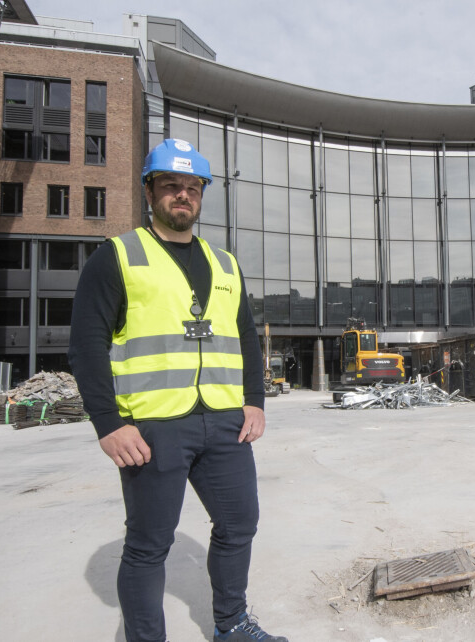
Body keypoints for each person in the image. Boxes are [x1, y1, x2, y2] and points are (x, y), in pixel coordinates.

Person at [68, 139, 288, 642]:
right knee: (149, 544)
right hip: (152, 425)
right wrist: (108, 423)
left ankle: (231, 625)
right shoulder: (118, 256)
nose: (182, 195)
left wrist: (254, 400)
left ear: (202, 195)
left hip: (224, 422)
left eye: (192, 187)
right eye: (171, 185)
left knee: (239, 526)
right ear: (150, 191)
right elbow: (86, 345)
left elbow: (247, 337)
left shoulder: (225, 264)